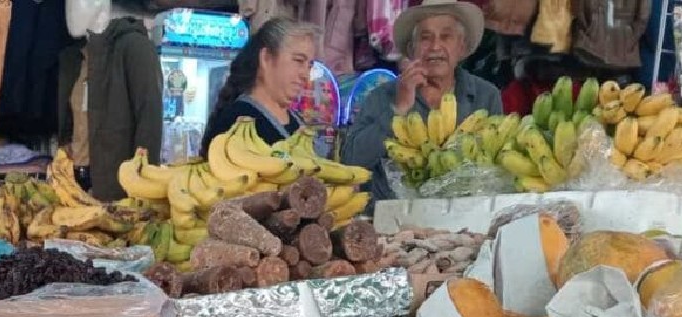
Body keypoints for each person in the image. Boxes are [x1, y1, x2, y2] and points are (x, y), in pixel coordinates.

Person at [341, 0, 503, 202]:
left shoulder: (486, 96)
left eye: (446, 37)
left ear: (462, 47)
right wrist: (398, 109)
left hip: (467, 217)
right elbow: (351, 160)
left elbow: (498, 166)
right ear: (411, 49)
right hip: (395, 221)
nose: (435, 46)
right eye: (425, 38)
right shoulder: (382, 96)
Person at [200, 18, 320, 159]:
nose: (306, 74)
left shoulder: (297, 121)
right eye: (299, 61)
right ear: (266, 58)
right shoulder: (236, 123)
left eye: (309, 65)